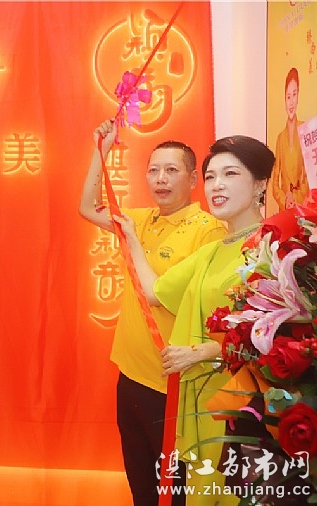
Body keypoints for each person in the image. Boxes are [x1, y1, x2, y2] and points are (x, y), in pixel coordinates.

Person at [116, 135, 275, 505]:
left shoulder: (273, 248)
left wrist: (204, 351)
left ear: (260, 184)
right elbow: (154, 292)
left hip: (246, 411)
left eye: (230, 174)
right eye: (211, 176)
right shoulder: (212, 251)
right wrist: (132, 238)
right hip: (201, 407)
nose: (217, 185)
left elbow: (282, 336)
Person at [79, 119, 226, 506]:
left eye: (171, 170)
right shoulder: (141, 219)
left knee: (172, 492)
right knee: (141, 486)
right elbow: (87, 207)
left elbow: (162, 295)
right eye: (154, 170)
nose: (161, 179)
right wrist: (100, 151)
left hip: (172, 384)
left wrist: (131, 240)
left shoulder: (208, 230)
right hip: (130, 374)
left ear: (193, 179)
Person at [271, 67, 307, 211]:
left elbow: (310, 175)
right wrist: (285, 199)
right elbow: (274, 181)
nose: (291, 102)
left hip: (302, 207)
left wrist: (295, 198)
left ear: (298, 96)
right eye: (288, 97)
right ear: (284, 100)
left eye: (294, 94)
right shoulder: (280, 138)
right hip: (284, 208)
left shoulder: (305, 130)